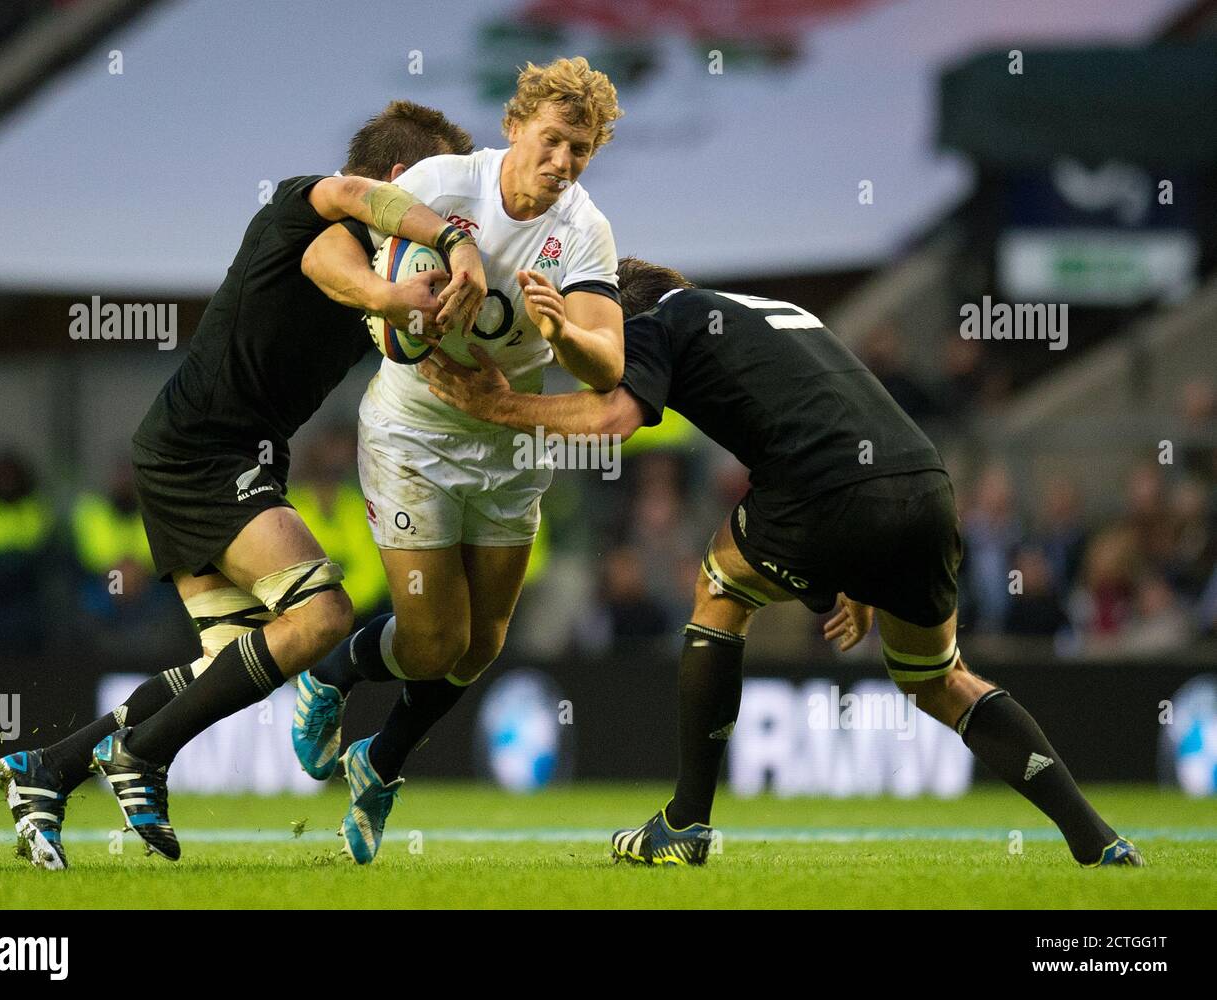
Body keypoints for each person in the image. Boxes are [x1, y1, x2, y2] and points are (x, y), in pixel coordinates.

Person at [421, 256, 1143, 869]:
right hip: (924, 485)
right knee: (938, 678)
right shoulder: (775, 312)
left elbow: (611, 419)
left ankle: (684, 826)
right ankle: (1096, 840)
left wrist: (502, 405)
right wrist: (857, 573)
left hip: (825, 487)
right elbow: (839, 416)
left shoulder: (658, 320)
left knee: (718, 587)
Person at [0, 101, 478, 869]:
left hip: (214, 451)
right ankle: (144, 756)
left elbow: (367, 292)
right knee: (322, 615)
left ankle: (49, 770)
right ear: (399, 180)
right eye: (440, 193)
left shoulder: (380, 268)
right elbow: (335, 246)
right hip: (206, 451)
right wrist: (434, 251)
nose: (452, 211)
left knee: (233, 658)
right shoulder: (315, 205)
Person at [296, 56, 624, 864]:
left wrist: (563, 336)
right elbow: (323, 253)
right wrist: (386, 300)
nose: (562, 162)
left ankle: (380, 761)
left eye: (579, 150)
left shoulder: (583, 230)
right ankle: (330, 677)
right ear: (515, 127)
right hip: (414, 435)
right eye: (551, 140)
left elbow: (607, 368)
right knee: (433, 640)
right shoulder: (444, 184)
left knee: (482, 646)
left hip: (510, 445)